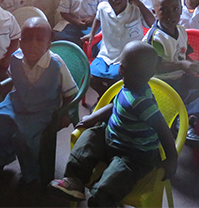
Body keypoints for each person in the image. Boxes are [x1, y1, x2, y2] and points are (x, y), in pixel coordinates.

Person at [48, 41, 177, 208]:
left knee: (117, 176)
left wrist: (172, 158)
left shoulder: (143, 102)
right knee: (90, 136)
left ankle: (102, 200)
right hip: (112, 137)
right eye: (135, 73)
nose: (137, 78)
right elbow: (115, 104)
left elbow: (163, 130)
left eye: (141, 74)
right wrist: (94, 117)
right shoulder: (128, 87)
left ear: (120, 68)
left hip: (134, 155)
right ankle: (74, 180)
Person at [0, 17, 78, 187]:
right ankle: (1, 157)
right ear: (20, 43)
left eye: (39, 40)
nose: (32, 44)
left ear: (48, 44)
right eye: (27, 40)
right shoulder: (16, 59)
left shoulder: (56, 64)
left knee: (24, 137)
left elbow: (70, 91)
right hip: (18, 101)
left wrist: (66, 112)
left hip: (43, 108)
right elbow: (15, 81)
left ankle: (30, 173)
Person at [145, 0, 199, 147]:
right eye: (164, 10)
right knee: (176, 97)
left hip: (180, 77)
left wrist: (192, 64)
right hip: (160, 83)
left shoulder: (181, 31)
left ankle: (188, 120)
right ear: (154, 12)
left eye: (175, 9)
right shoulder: (156, 37)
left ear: (181, 9)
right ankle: (180, 123)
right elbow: (156, 67)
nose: (171, 15)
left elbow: (183, 53)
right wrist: (183, 64)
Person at [86, 0, 155, 99]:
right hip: (106, 54)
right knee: (90, 78)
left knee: (118, 80)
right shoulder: (103, 7)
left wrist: (139, 3)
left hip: (127, 58)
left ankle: (113, 102)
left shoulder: (135, 10)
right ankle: (105, 97)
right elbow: (98, 18)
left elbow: (152, 23)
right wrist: (92, 34)